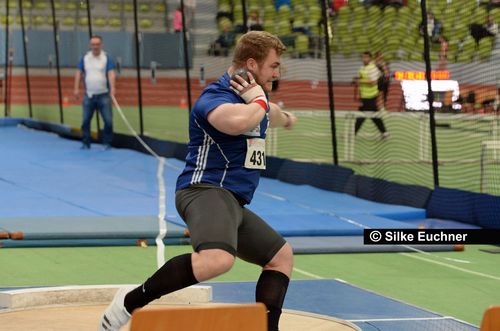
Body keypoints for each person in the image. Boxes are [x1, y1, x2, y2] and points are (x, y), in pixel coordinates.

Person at [98, 31, 297, 331]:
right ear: (253, 64)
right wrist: (259, 102)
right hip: (203, 191)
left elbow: (272, 113)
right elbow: (237, 122)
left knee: (281, 257)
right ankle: (129, 302)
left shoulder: (258, 98)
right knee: (217, 259)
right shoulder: (215, 97)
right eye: (274, 66)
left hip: (231, 201)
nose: (277, 73)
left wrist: (286, 118)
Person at [73, 35, 116, 150]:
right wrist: (76, 88)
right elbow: (78, 72)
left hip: (104, 96)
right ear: (90, 45)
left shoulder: (106, 57)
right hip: (89, 95)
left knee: (108, 121)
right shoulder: (85, 58)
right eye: (93, 44)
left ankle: (107, 143)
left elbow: (111, 73)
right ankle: (86, 143)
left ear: (101, 45)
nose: (95, 46)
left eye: (97, 44)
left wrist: (113, 88)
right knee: (85, 121)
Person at [353, 51, 388, 138]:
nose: (364, 59)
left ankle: (353, 133)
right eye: (363, 57)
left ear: (370, 58)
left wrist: (359, 81)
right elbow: (362, 79)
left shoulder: (372, 68)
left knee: (362, 116)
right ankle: (384, 133)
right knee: (374, 116)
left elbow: (373, 82)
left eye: (366, 57)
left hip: (371, 96)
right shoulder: (362, 68)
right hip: (364, 96)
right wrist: (358, 80)